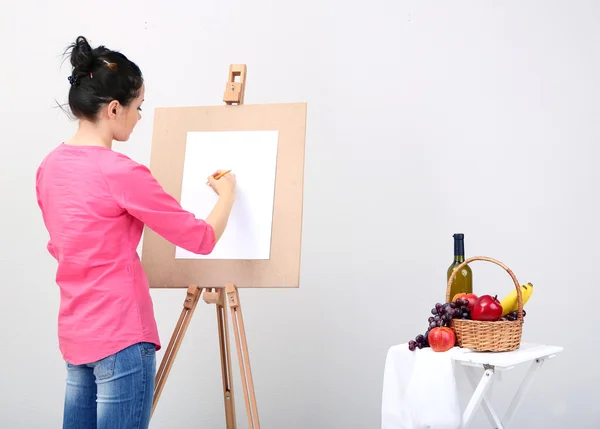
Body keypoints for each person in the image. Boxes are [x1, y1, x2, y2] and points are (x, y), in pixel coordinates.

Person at [35, 36, 237, 429]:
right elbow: (200, 238)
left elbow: (58, 246)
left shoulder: (49, 167)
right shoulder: (121, 173)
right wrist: (227, 196)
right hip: (122, 337)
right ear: (114, 109)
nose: (140, 116)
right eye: (137, 106)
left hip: (76, 338)